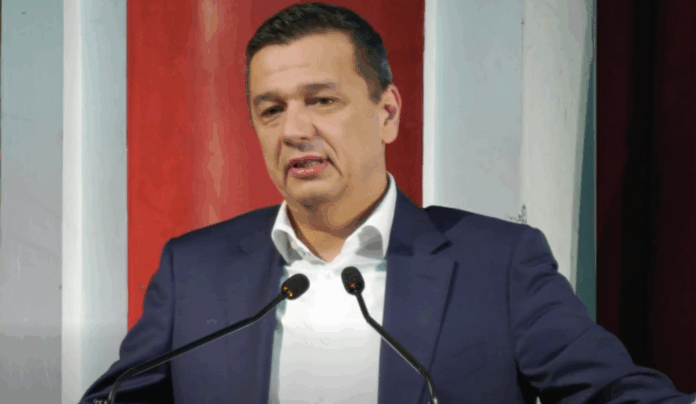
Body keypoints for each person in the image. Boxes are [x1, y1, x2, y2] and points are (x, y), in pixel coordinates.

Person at [81, 2, 695, 404]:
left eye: (321, 101)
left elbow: (614, 393)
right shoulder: (194, 269)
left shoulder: (497, 264)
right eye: (271, 109)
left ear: (388, 113)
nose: (293, 130)